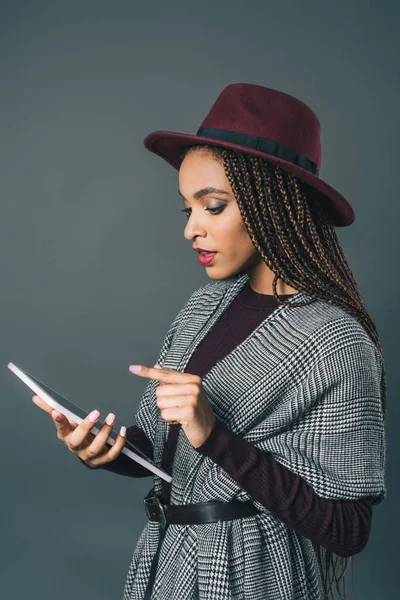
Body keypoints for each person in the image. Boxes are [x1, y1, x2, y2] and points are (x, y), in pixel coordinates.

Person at [32, 83, 387, 600]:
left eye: (213, 206)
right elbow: (162, 450)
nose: (191, 230)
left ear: (273, 204)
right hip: (168, 562)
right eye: (187, 210)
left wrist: (215, 435)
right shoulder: (203, 307)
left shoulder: (336, 341)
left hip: (254, 576)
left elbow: (348, 529)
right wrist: (105, 450)